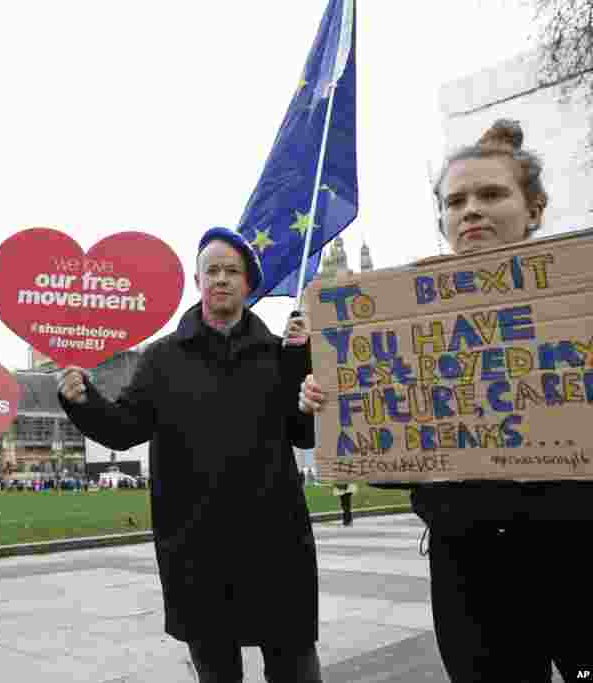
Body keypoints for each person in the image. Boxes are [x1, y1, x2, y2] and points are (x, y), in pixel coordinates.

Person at [302, 119, 590, 682]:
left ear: (534, 209)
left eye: (491, 194)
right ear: (442, 218)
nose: (471, 210)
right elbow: (391, 467)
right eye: (456, 200)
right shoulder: (400, 318)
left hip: (579, 557)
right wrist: (341, 407)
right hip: (468, 568)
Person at [58, 227, 325, 683]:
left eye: (232, 271)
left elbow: (302, 435)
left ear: (248, 284)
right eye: (212, 270)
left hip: (275, 541)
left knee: (295, 666)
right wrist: (83, 400)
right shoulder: (162, 357)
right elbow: (125, 428)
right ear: (198, 281)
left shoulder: (278, 354)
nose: (221, 279)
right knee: (216, 670)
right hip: (197, 545)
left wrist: (303, 366)